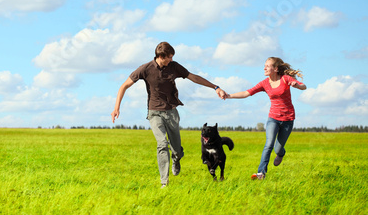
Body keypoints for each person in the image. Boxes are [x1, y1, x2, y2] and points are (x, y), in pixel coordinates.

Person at [111, 41, 228, 187]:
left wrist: (215, 87)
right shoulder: (145, 69)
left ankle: (176, 158)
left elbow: (194, 77)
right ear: (161, 56)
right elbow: (124, 86)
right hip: (154, 112)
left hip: (171, 112)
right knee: (161, 144)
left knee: (177, 150)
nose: (171, 60)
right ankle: (164, 182)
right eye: (169, 57)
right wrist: (117, 108)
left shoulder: (174, 67)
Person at [224, 57, 306, 180]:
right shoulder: (264, 83)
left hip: (288, 119)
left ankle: (281, 153)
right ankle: (261, 173)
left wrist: (297, 86)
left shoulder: (285, 79)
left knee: (278, 148)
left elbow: (303, 86)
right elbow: (247, 93)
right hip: (273, 118)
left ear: (276, 69)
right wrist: (228, 96)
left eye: (267, 66)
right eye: (264, 65)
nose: (264, 68)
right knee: (268, 144)